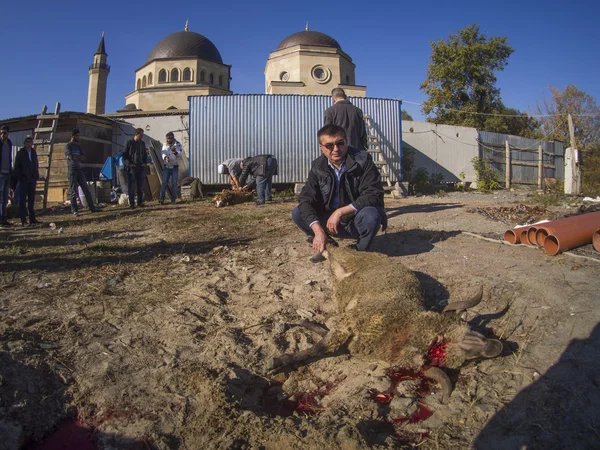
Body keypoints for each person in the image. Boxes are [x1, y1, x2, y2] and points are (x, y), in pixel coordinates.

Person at [292, 124, 387, 252]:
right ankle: (328, 243)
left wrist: (340, 212)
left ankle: (360, 251)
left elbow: (373, 193)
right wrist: (318, 230)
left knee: (371, 215)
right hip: (329, 222)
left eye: (340, 143)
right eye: (329, 145)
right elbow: (306, 198)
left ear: (346, 142)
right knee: (298, 213)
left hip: (355, 220)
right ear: (322, 148)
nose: (336, 149)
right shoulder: (317, 167)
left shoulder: (363, 160)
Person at [65, 129, 97, 216]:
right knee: (73, 191)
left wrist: (77, 157)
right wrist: (77, 157)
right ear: (73, 136)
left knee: (86, 189)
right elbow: (71, 157)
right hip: (72, 170)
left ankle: (92, 208)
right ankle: (74, 210)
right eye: (77, 136)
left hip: (79, 169)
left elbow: (83, 157)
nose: (78, 137)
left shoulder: (78, 146)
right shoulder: (68, 146)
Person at [10, 136, 39, 226]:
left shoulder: (33, 152)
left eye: (30, 141)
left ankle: (32, 218)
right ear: (24, 143)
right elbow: (16, 167)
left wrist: (35, 175)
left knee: (31, 199)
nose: (29, 143)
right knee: (22, 200)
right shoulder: (20, 153)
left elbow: (36, 164)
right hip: (23, 179)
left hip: (32, 179)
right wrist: (20, 177)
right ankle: (23, 220)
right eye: (27, 142)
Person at [123, 128, 149, 209]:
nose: (142, 136)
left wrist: (145, 163)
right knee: (131, 186)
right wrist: (129, 164)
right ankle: (132, 204)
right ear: (136, 134)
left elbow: (145, 154)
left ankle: (140, 202)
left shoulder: (142, 143)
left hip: (140, 166)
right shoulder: (129, 143)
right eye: (141, 135)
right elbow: (124, 155)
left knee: (140, 185)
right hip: (132, 167)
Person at [159, 131, 182, 205]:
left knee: (174, 184)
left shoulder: (178, 144)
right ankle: (161, 199)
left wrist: (175, 152)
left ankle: (173, 199)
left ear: (172, 139)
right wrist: (165, 157)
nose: (166, 140)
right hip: (167, 166)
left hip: (175, 167)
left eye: (168, 139)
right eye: (166, 139)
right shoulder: (165, 145)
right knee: (164, 183)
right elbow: (163, 153)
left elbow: (179, 156)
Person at [0, 125, 13, 226]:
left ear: (8, 133)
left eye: (4, 133)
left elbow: (9, 158)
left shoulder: (9, 143)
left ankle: (4, 219)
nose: (2, 135)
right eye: (1, 133)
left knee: (5, 198)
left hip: (7, 173)